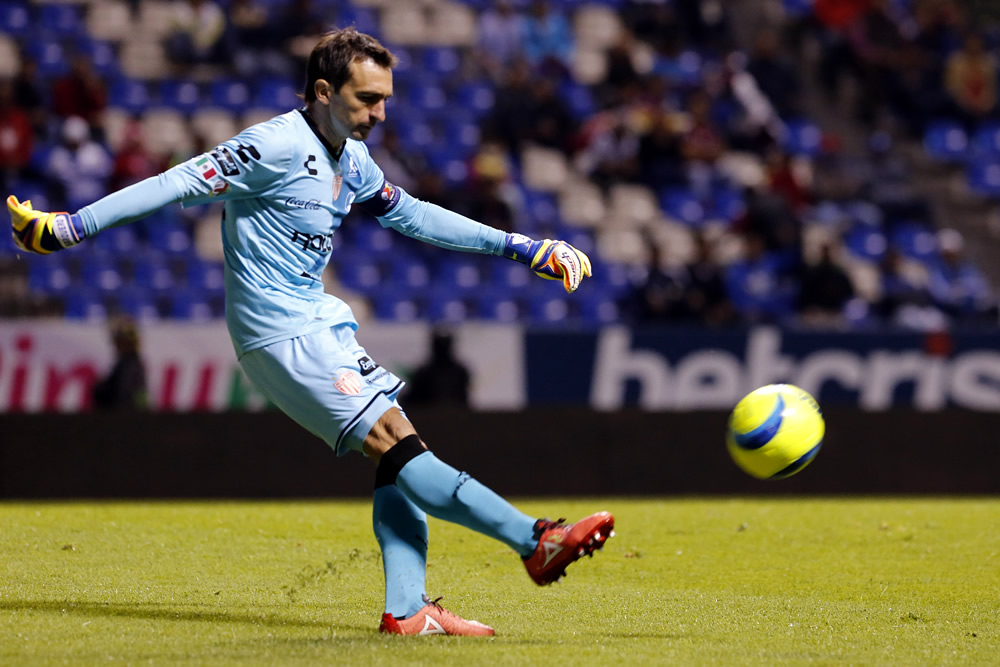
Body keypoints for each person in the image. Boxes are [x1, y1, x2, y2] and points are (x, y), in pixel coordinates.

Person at [8, 28, 612, 637]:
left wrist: (520, 246)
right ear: (323, 90)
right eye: (367, 99)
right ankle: (535, 540)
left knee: (398, 446)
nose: (379, 113)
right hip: (279, 331)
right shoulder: (270, 145)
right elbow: (178, 182)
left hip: (318, 319)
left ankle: (408, 610)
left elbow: (414, 216)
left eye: (385, 100)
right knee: (392, 442)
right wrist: (70, 226)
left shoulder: (351, 158)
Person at [92, 317, 148, 411]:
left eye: (118, 341)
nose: (115, 345)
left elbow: (124, 396)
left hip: (123, 418)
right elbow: (141, 398)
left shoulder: (129, 365)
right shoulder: (133, 364)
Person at [405, 331, 471, 407]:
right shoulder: (423, 373)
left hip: (455, 416)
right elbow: (412, 399)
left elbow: (464, 400)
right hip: (428, 416)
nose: (442, 350)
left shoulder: (460, 372)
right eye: (439, 346)